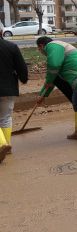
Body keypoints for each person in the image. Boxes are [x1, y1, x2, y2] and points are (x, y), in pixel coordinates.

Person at [0, 24, 28, 163]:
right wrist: (24, 79)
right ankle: (7, 145)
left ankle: (1, 144)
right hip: (8, 89)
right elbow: (21, 66)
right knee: (5, 117)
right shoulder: (11, 47)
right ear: (1, 32)